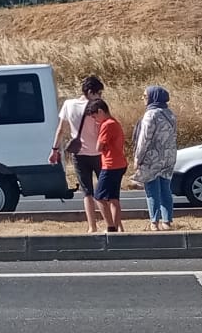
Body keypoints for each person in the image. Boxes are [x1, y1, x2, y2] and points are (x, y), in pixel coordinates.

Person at [51, 73, 105, 230]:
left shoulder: (69, 104)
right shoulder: (98, 107)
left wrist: (54, 149)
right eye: (98, 93)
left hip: (79, 154)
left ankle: (91, 226)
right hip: (98, 153)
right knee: (103, 191)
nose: (100, 96)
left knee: (87, 192)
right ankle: (111, 224)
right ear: (90, 92)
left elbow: (61, 129)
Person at [134, 85, 178, 230]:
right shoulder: (170, 113)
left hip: (152, 157)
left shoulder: (150, 114)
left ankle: (154, 221)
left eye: (145, 96)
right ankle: (167, 221)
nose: (143, 99)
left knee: (152, 189)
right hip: (168, 156)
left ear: (153, 97)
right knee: (166, 188)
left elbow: (144, 139)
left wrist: (138, 158)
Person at [86, 98, 127, 232]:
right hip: (120, 163)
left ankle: (110, 226)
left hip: (110, 165)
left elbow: (99, 147)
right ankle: (115, 227)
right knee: (113, 198)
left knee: (99, 196)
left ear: (100, 111)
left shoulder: (107, 124)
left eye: (95, 116)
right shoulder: (115, 122)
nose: (95, 120)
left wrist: (100, 139)